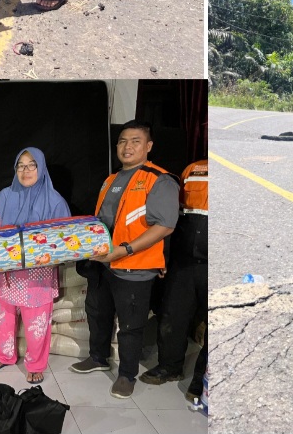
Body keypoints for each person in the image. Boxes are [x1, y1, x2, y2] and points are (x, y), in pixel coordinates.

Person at [70, 120, 179, 400]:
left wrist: (125, 250)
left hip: (134, 266)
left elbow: (165, 225)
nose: (127, 147)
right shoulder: (111, 179)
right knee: (98, 312)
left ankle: (127, 375)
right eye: (122, 141)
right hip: (104, 263)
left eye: (135, 141)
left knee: (130, 325)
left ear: (148, 146)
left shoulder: (159, 180)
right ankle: (98, 358)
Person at [0, 147, 71, 383]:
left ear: (41, 167)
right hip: (5, 271)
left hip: (37, 275)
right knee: (1, 317)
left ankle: (35, 364)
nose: (25, 170)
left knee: (36, 322)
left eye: (31, 165)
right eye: (20, 165)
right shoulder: (4, 196)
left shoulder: (55, 201)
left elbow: (63, 239)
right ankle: (3, 356)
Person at [139, 159, 208, 403]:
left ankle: (202, 380)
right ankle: (169, 367)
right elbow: (172, 217)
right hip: (184, 262)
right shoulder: (194, 169)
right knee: (172, 315)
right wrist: (164, 255)